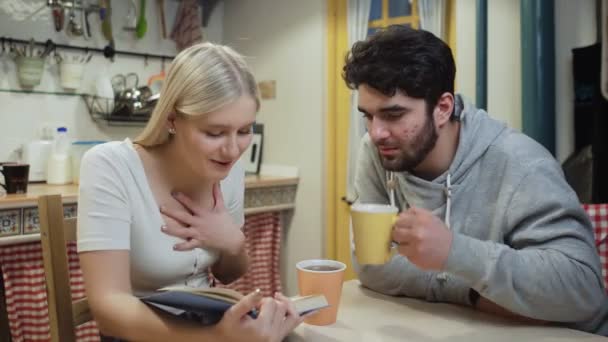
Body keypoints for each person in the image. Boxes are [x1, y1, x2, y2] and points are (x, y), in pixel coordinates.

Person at [343, 25, 608, 335]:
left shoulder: (521, 163)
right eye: (368, 115)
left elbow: (583, 292)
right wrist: (469, 292)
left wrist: (453, 251)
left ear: (442, 108)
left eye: (393, 115)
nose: (375, 132)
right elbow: (370, 263)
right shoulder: (379, 152)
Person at [77, 42, 304, 341]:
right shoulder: (111, 166)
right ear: (172, 119)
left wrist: (231, 242)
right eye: (215, 133)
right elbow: (108, 309)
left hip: (211, 325)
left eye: (245, 131)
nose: (233, 149)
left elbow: (230, 274)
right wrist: (215, 339)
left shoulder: (229, 169)